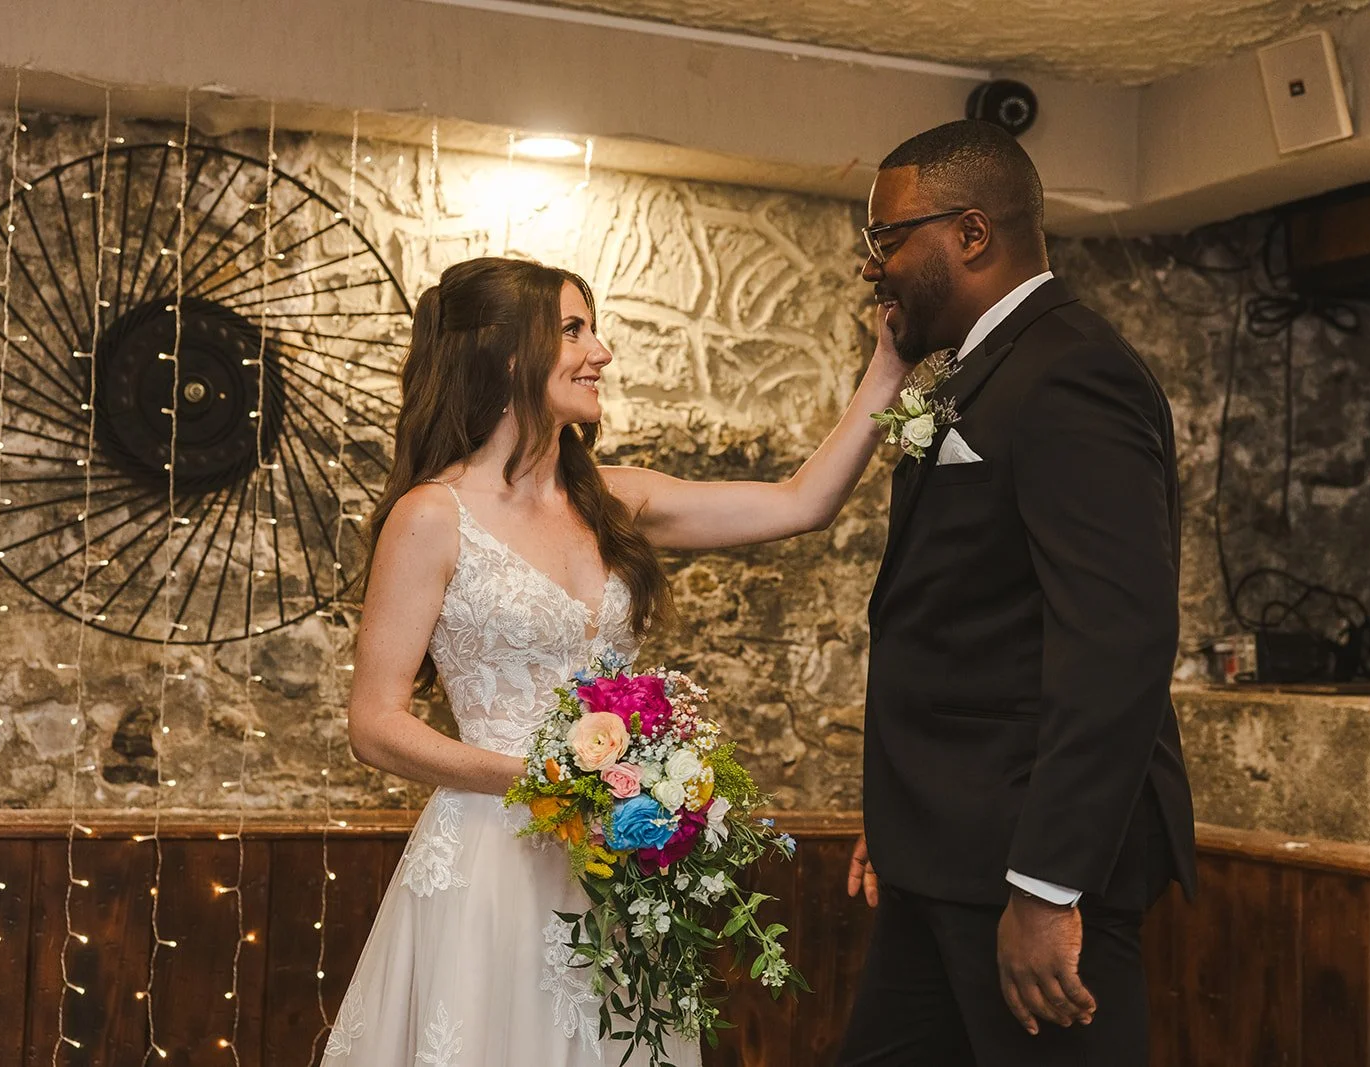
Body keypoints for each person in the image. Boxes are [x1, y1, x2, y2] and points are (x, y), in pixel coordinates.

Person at [324, 256, 909, 1065]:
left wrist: (887, 368)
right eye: (573, 330)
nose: (600, 351)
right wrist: (543, 783)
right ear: (503, 352)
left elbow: (802, 504)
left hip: (615, 868)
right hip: (493, 863)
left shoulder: (616, 498)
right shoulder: (433, 516)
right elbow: (374, 723)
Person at [838, 119, 1197, 1066]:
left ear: (969, 234)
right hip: (946, 852)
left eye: (885, 239)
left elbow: (1117, 641)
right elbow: (963, 626)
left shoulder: (1071, 370)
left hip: (1022, 865)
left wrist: (1046, 885)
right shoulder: (979, 372)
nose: (871, 267)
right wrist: (901, 821)